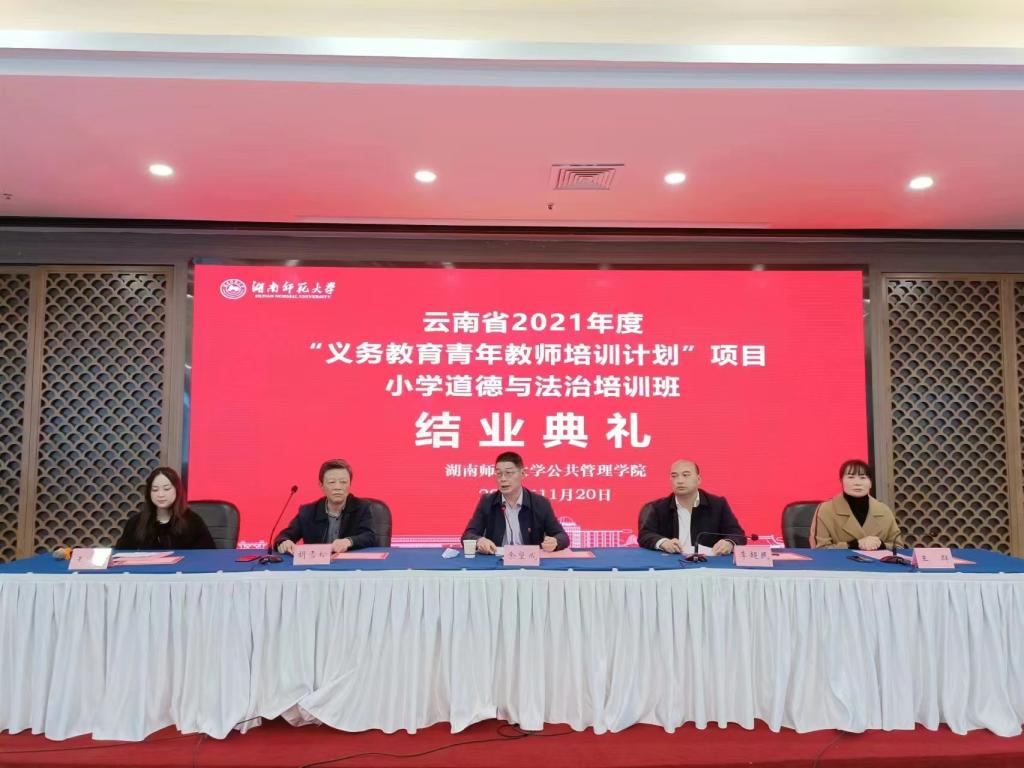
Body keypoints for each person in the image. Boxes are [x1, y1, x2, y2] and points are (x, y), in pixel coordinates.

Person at [462, 451, 569, 553]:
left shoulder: (540, 503)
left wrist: (555, 542)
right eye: (499, 474)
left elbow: (562, 536)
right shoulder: (487, 502)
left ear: (522, 473)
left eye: (508, 473)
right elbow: (468, 535)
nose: (503, 479)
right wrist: (479, 540)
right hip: (496, 561)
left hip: (530, 562)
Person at [638, 459, 745, 555]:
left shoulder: (718, 505)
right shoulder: (659, 507)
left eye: (686, 475)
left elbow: (737, 534)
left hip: (709, 563)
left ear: (698, 479)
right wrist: (663, 543)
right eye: (674, 476)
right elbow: (645, 535)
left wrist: (729, 543)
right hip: (671, 563)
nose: (679, 481)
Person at [275, 459, 376, 554]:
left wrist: (349, 541)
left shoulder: (362, 507)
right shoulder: (308, 512)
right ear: (321, 485)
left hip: (350, 564)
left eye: (343, 482)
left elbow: (369, 537)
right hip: (316, 565)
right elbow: (284, 536)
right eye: (332, 482)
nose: (338, 487)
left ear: (350, 484)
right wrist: (284, 542)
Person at [115, 467, 216, 549]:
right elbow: (120, 554)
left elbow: (207, 555)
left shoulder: (193, 521)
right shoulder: (135, 522)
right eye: (155, 490)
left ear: (177, 490)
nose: (161, 494)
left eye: (166, 489)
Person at [811, 459, 901, 550]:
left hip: (879, 559)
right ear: (841, 481)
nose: (857, 483)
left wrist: (881, 545)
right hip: (840, 559)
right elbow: (819, 549)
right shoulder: (826, 509)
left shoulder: (884, 510)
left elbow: (898, 547)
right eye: (851, 477)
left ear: (870, 483)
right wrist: (853, 545)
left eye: (863, 478)